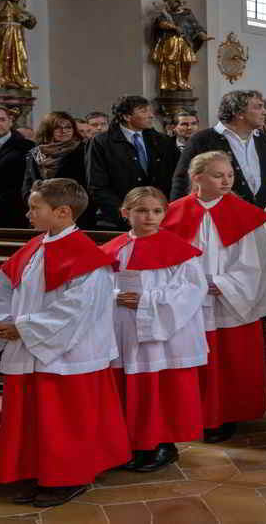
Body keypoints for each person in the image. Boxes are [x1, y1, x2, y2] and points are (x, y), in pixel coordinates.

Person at [0, 178, 128, 508]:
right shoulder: (34, 247)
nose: (28, 213)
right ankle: (36, 470)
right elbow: (2, 288)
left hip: (68, 354)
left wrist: (24, 327)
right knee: (33, 416)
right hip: (29, 345)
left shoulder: (87, 256)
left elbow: (79, 309)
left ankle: (68, 478)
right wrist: (0, 322)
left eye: (35, 208)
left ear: (62, 212)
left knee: (64, 419)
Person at [163, 151, 266, 445]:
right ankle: (190, 413)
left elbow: (256, 263)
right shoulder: (172, 212)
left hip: (227, 300)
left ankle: (224, 415)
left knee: (227, 359)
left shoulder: (244, 214)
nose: (226, 181)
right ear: (196, 177)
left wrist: (223, 283)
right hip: (187, 301)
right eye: (217, 175)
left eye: (230, 175)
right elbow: (164, 257)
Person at [101, 187, 207, 473]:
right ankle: (135, 444)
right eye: (142, 211)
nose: (150, 217)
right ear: (125, 213)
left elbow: (192, 290)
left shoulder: (180, 250)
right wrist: (113, 296)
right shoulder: (113, 249)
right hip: (123, 329)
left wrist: (147, 301)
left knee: (160, 389)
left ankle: (163, 445)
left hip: (164, 336)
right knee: (129, 386)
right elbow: (96, 287)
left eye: (157, 211)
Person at [171, 90, 266, 207]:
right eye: (258, 107)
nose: (265, 112)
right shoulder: (202, 140)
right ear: (239, 113)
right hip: (217, 218)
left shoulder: (262, 139)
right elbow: (182, 183)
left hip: (261, 217)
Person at [87, 95, 180, 230]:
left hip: (159, 220)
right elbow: (97, 186)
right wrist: (125, 215)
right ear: (126, 116)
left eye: (150, 110)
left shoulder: (162, 141)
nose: (151, 115)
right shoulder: (102, 142)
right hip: (118, 222)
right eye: (143, 111)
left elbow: (176, 177)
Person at [23, 112, 96, 229]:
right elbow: (27, 184)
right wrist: (35, 203)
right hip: (40, 212)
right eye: (58, 127)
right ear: (47, 129)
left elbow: (89, 184)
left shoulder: (84, 150)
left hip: (72, 213)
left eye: (68, 127)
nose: (64, 131)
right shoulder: (35, 153)